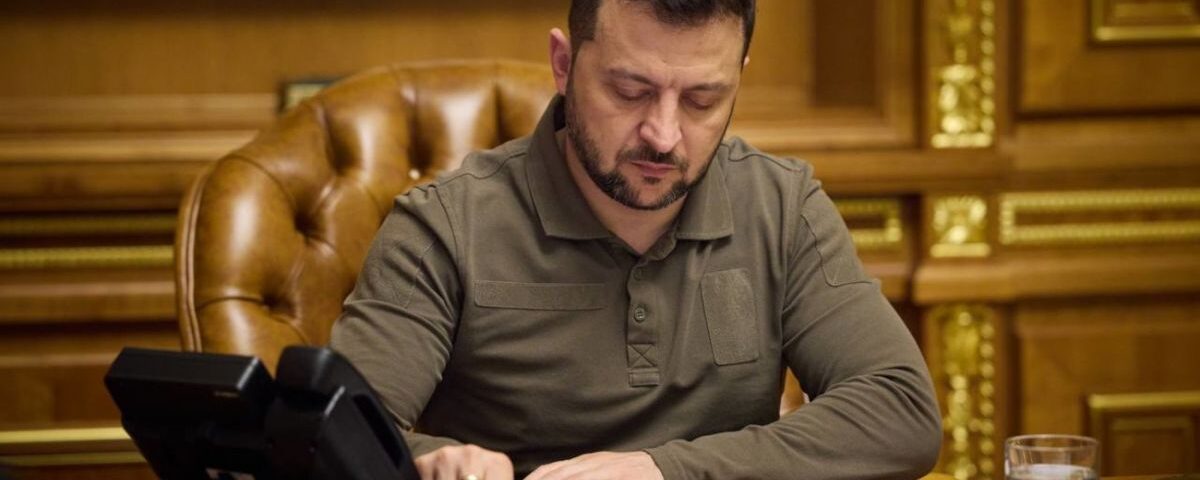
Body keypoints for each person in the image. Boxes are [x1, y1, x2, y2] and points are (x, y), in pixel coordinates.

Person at [330, 0, 942, 478]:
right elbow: (332, 436)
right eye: (630, 91)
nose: (663, 134)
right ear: (564, 64)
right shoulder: (444, 226)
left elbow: (900, 411)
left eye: (702, 99)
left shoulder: (781, 207)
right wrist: (432, 461)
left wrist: (663, 470)